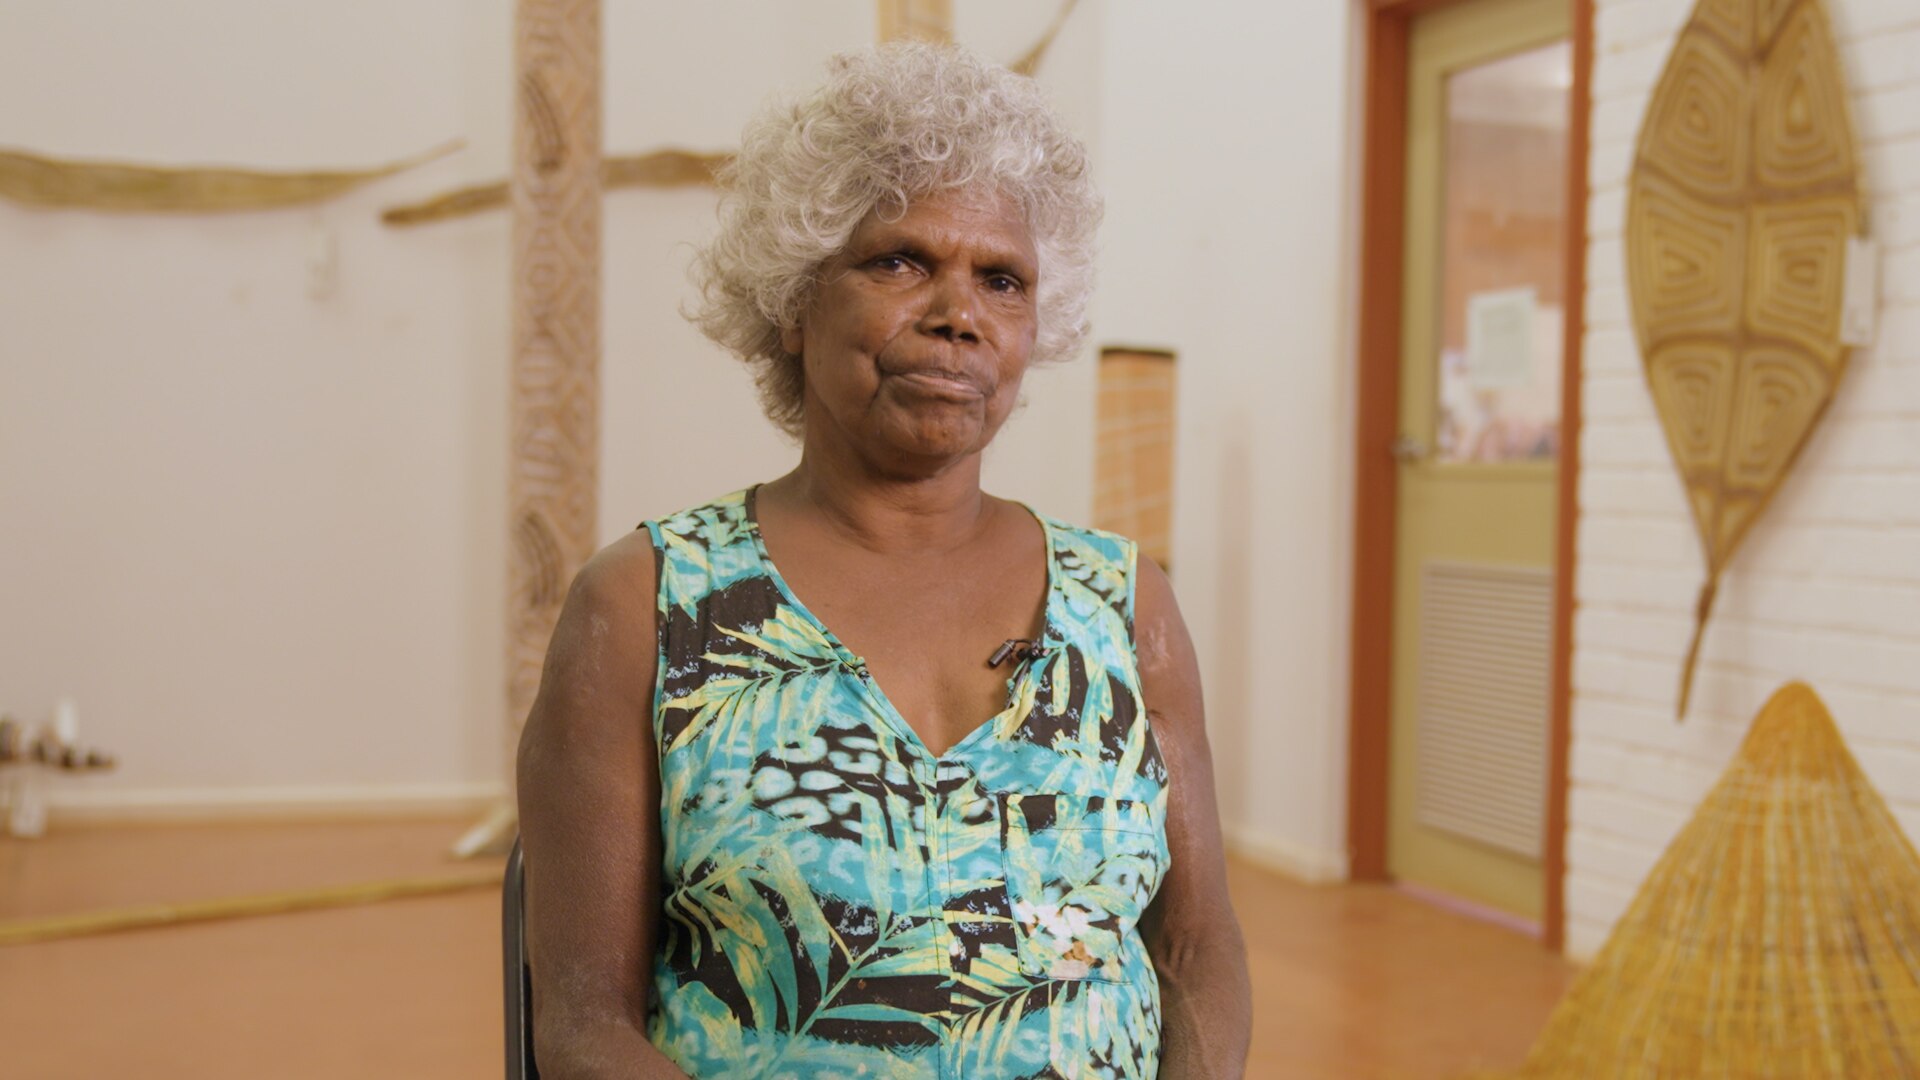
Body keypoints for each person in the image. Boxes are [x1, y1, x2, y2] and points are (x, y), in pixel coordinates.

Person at [517, 42, 1251, 1079]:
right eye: (900, 261)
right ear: (792, 301)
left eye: (1001, 279)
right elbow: (583, 1023)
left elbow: (1194, 946)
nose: (959, 314)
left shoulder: (1126, 606)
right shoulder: (645, 605)